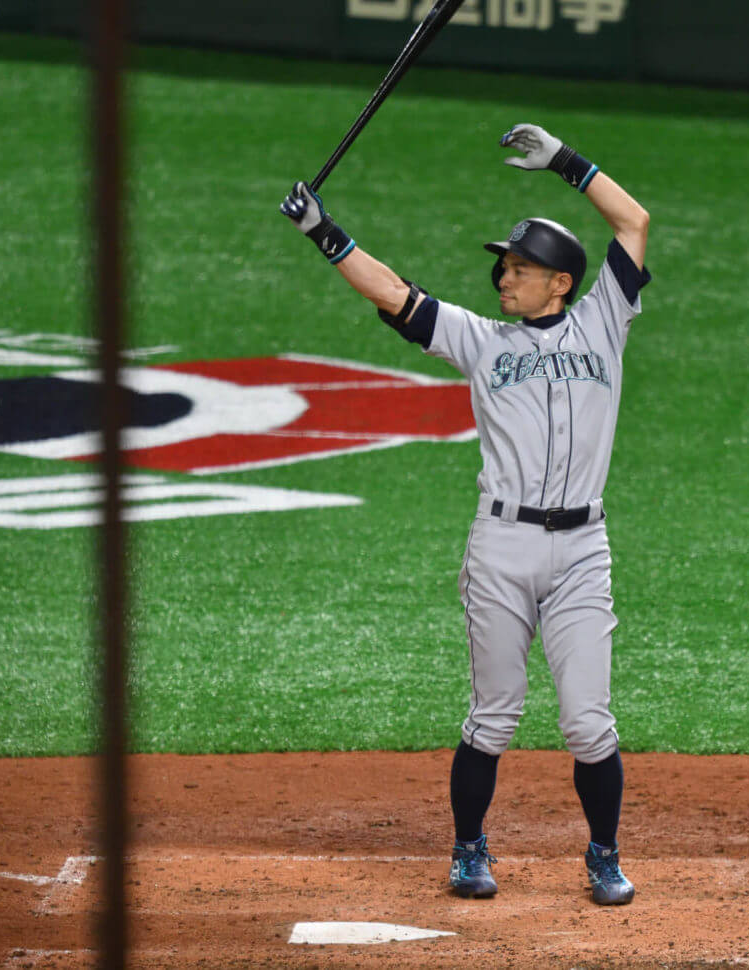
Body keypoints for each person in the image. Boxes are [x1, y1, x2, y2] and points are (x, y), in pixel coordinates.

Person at [280, 123, 650, 906]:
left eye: (521, 268)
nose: (504, 278)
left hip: (584, 548)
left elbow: (633, 222)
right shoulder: (482, 340)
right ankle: (469, 849)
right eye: (505, 267)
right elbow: (394, 294)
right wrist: (326, 233)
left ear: (561, 282)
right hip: (503, 546)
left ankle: (604, 853)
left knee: (589, 722)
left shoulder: (604, 321)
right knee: (494, 716)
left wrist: (565, 164)